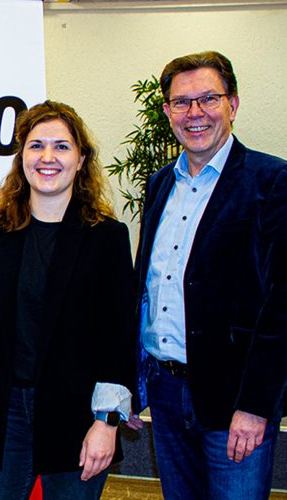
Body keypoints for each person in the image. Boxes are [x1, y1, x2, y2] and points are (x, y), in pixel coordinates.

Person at [0, 100, 137, 499]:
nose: (47, 157)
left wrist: (106, 423)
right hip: (2, 413)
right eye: (36, 146)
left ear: (81, 158)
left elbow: (117, 339)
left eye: (61, 146)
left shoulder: (107, 237)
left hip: (78, 417)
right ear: (21, 157)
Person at [134, 51, 287, 499]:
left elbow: (282, 306)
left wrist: (257, 406)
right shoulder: (160, 183)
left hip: (234, 402)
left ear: (233, 104)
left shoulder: (272, 182)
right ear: (167, 112)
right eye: (181, 103)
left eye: (208, 99)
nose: (194, 113)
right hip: (165, 393)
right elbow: (148, 284)